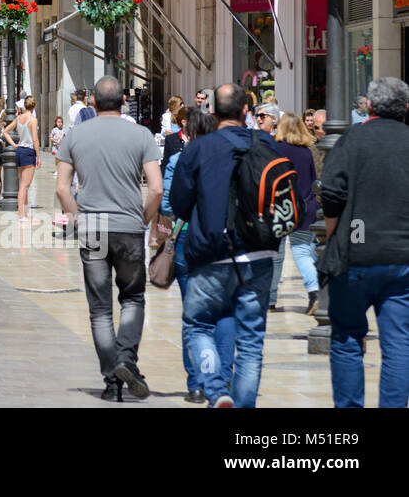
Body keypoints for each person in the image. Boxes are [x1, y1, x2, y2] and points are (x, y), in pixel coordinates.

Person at [168, 84, 281, 408]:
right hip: (259, 252)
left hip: (211, 253)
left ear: (212, 113)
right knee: (251, 341)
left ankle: (216, 390)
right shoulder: (268, 145)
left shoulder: (198, 149)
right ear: (246, 111)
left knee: (198, 324)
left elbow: (178, 203)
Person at [54, 76, 163, 402]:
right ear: (123, 102)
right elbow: (156, 188)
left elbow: (62, 187)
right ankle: (127, 359)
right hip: (129, 226)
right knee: (132, 298)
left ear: (94, 103)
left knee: (100, 309)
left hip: (93, 228)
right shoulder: (141, 135)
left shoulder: (74, 135)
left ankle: (111, 381)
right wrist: (143, 219)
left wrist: (76, 217)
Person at [318, 77, 409, 407]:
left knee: (346, 339)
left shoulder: (351, 141)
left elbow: (330, 192)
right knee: (399, 342)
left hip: (355, 252)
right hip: (402, 257)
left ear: (368, 106)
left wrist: (334, 233)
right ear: (406, 108)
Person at [158, 109, 229, 403]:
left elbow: (166, 203)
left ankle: (197, 383)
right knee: (224, 311)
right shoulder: (229, 159)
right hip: (225, 238)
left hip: (188, 234)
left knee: (193, 311)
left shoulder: (179, 159)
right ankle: (222, 379)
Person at [269, 112, 319, 315]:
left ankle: (270, 299)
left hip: (281, 208)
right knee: (304, 251)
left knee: (276, 255)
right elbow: (314, 180)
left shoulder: (276, 149)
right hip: (305, 207)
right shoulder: (307, 152)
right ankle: (316, 291)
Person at [4, 95, 39, 219]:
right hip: (29, 151)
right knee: (24, 186)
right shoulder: (33, 120)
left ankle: (26, 213)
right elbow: (35, 139)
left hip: (19, 151)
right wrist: (39, 156)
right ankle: (21, 215)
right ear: (34, 106)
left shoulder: (18, 118)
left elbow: (5, 131)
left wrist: (14, 144)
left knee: (23, 185)